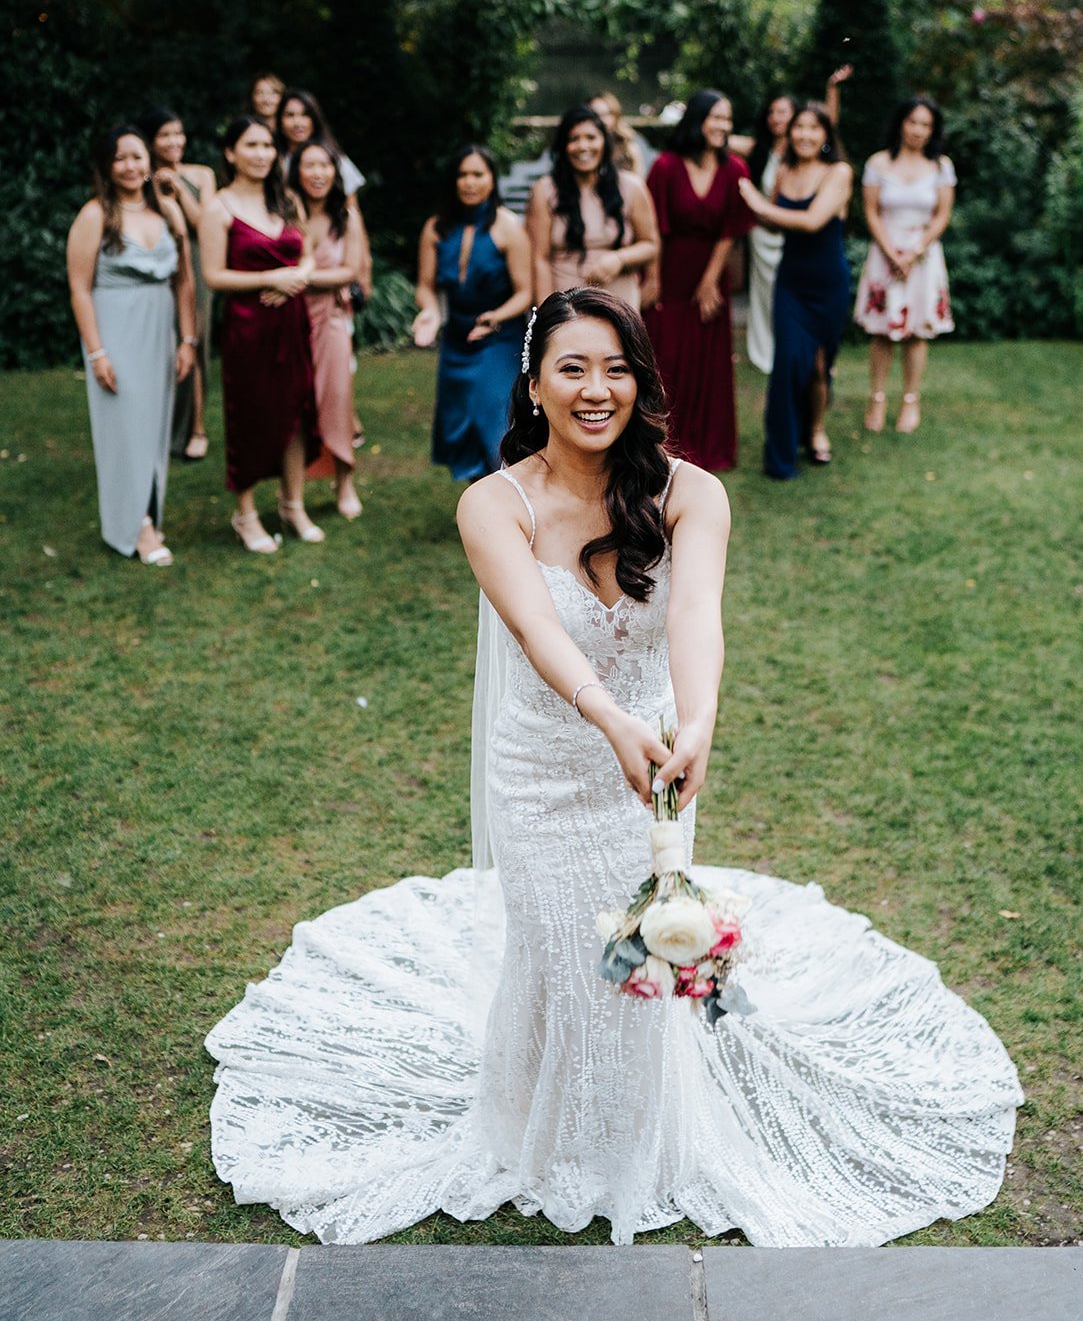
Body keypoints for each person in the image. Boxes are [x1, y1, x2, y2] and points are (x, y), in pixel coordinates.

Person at [205, 286, 1021, 1248]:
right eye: (573, 369)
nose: (598, 389)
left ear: (641, 377)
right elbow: (537, 627)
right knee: (566, 951)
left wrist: (699, 716)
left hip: (654, 768)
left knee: (639, 955)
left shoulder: (692, 492)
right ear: (536, 386)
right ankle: (547, 1125)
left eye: (617, 367)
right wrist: (607, 717)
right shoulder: (491, 505)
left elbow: (692, 615)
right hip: (546, 771)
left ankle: (639, 1124)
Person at [66, 126, 197, 564]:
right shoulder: (94, 216)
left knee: (154, 427)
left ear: (150, 161)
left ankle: (146, 513)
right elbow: (79, 288)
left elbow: (184, 280)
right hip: (116, 330)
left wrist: (188, 339)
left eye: (137, 156)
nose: (130, 166)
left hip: (160, 331)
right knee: (125, 428)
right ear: (107, 165)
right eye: (120, 158)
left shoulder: (166, 212)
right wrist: (97, 352)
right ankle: (135, 527)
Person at [199, 116, 322, 552]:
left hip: (292, 323)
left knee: (297, 415)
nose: (262, 153)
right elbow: (213, 275)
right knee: (250, 416)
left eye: (267, 145)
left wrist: (297, 276)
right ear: (231, 153)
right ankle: (245, 513)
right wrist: (271, 277)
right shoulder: (218, 207)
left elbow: (307, 256)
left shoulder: (287, 199)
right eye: (250, 145)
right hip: (248, 328)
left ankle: (293, 504)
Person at [738, 103, 852, 478]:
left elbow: (812, 221)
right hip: (791, 282)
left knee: (819, 367)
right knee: (787, 362)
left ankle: (815, 430)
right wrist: (750, 209)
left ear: (825, 136)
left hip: (828, 283)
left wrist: (758, 203)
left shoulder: (839, 172)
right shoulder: (784, 171)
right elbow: (774, 227)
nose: (804, 134)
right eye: (798, 127)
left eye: (812, 128)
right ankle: (780, 458)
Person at [644, 90, 754, 471]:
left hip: (711, 273)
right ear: (697, 120)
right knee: (667, 358)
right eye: (716, 118)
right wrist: (653, 278)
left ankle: (709, 448)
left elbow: (730, 230)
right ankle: (662, 446)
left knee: (709, 361)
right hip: (670, 273)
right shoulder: (665, 166)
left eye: (728, 119)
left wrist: (710, 281)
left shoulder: (735, 169)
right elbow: (654, 226)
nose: (723, 126)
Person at [413, 145, 532, 480]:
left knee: (493, 420)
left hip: (499, 337)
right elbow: (425, 285)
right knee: (461, 425)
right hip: (457, 340)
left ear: (492, 179)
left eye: (477, 174)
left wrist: (495, 318)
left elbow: (525, 292)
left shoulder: (508, 227)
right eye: (462, 175)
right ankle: (481, 499)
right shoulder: (436, 228)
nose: (469, 182)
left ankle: (511, 501)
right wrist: (431, 312)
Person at [739, 67, 852, 376]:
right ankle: (768, 353)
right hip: (774, 242)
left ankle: (812, 416)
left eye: (784, 113)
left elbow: (813, 221)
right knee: (777, 320)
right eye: (773, 112)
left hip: (817, 263)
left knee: (816, 360)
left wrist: (832, 90)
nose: (779, 119)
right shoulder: (776, 162)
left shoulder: (833, 169)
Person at [854, 97, 956, 434]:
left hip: (923, 256)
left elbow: (942, 215)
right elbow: (870, 211)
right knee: (882, 331)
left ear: (933, 130)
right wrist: (891, 252)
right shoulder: (878, 163)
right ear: (901, 123)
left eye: (925, 125)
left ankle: (911, 400)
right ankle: (877, 398)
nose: (918, 130)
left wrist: (914, 252)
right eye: (913, 122)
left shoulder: (941, 167)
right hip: (885, 253)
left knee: (916, 332)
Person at [289, 140, 372, 519]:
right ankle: (293, 490)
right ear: (297, 173)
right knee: (296, 402)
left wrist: (301, 278)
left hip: (333, 318)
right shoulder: (286, 214)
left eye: (325, 166)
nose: (318, 173)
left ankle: (344, 481)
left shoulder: (346, 216)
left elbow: (349, 270)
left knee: (337, 399)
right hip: (292, 318)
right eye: (310, 166)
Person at [528, 105, 659, 312]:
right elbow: (539, 259)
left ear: (604, 143)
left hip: (618, 301)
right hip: (566, 305)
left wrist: (619, 259)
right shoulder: (544, 190)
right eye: (574, 139)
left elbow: (650, 245)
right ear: (563, 146)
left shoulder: (631, 187)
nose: (583, 146)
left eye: (591, 137)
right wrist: (547, 314)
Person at [141, 107, 217, 461]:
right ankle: (165, 425)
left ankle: (197, 428)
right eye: (165, 135)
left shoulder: (202, 175)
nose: (174, 141)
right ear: (152, 141)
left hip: (199, 265)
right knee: (164, 343)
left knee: (195, 341)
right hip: (161, 265)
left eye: (178, 133)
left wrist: (178, 192)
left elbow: (206, 224)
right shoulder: (143, 177)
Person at [275, 88, 365, 202]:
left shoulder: (335, 158)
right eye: (290, 115)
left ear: (314, 119)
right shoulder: (272, 159)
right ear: (280, 121)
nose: (297, 122)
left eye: (305, 114)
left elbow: (351, 207)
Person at [588, 90, 645, 176]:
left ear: (615, 116)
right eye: (595, 115)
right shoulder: (582, 147)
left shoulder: (628, 147)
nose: (601, 120)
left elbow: (639, 181)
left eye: (606, 114)